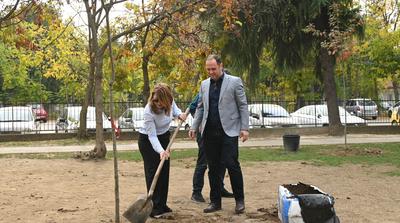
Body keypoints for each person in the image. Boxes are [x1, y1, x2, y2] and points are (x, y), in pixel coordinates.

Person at [189, 54, 249, 214]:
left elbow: (243, 105)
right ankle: (215, 202)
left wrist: (245, 128)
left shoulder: (235, 82)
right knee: (213, 168)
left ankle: (239, 201)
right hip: (209, 132)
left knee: (232, 165)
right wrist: (194, 126)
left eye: (213, 69)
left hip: (228, 131)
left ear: (221, 66)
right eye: (208, 69)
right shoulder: (204, 84)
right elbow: (201, 107)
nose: (211, 72)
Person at [138, 83, 187, 218]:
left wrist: (180, 115)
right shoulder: (148, 111)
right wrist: (161, 151)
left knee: (164, 172)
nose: (158, 103)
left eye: (161, 101)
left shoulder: (170, 102)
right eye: (155, 100)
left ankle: (162, 205)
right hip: (148, 142)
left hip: (165, 137)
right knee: (153, 172)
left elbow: (176, 111)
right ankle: (153, 208)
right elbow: (152, 136)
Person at [190, 94, 234, 203]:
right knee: (203, 162)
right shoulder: (206, 88)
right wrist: (199, 124)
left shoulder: (226, 88)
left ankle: (219, 188)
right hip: (204, 131)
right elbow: (192, 107)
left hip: (219, 131)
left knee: (221, 161)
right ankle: (196, 192)